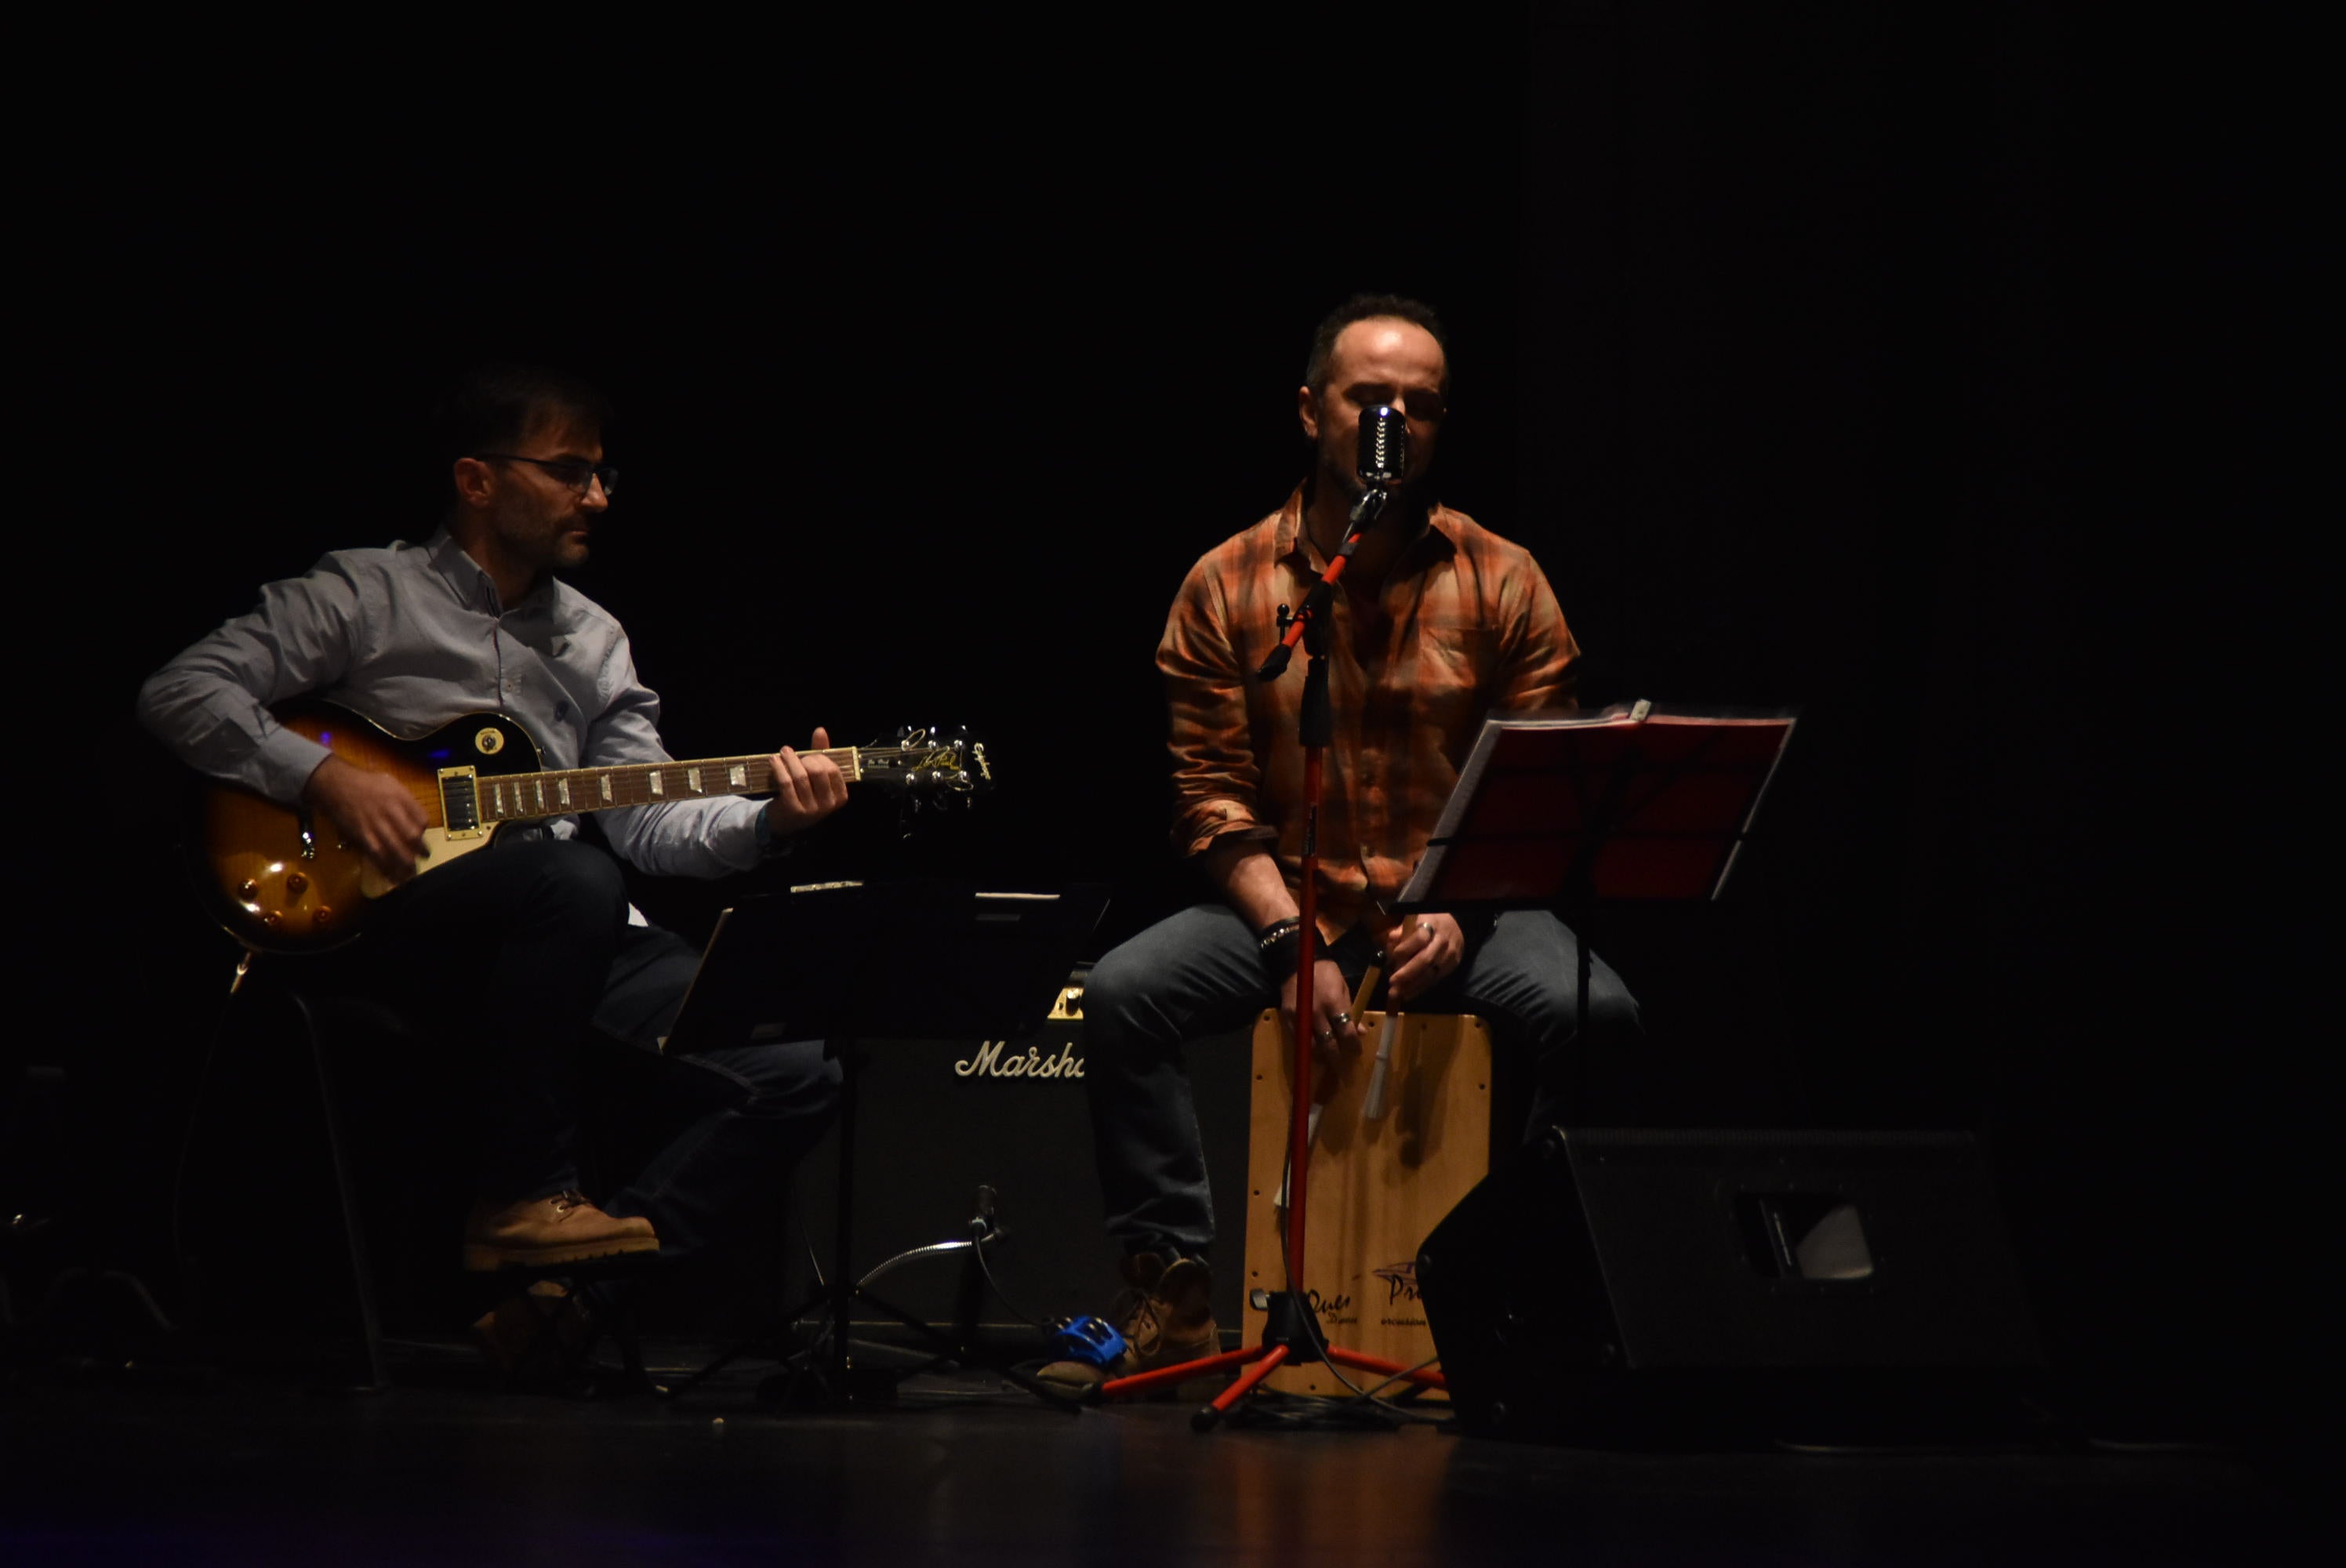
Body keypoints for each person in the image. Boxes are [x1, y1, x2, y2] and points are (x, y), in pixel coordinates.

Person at [137, 364, 845, 1357]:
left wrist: (771, 820)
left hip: (563, 928)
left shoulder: (595, 640)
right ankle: (523, 1195)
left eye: (602, 475)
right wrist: (322, 778)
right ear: (477, 479)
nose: (596, 496)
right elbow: (183, 691)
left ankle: (563, 1310)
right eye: (569, 471)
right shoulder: (364, 593)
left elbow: (644, 821)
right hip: (385, 918)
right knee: (568, 876)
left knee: (793, 1064)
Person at [1041, 296, 1640, 1387]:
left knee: (1598, 1013)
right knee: (1126, 992)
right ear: (1313, 411)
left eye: (1419, 406)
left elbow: (1536, 795)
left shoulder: (1505, 581)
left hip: (1467, 905)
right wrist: (1286, 939)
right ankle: (1173, 1286)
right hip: (1291, 902)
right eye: (1372, 400)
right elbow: (1209, 798)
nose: (1394, 422)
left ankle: (1533, 1293)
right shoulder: (1225, 585)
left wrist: (1463, 908)